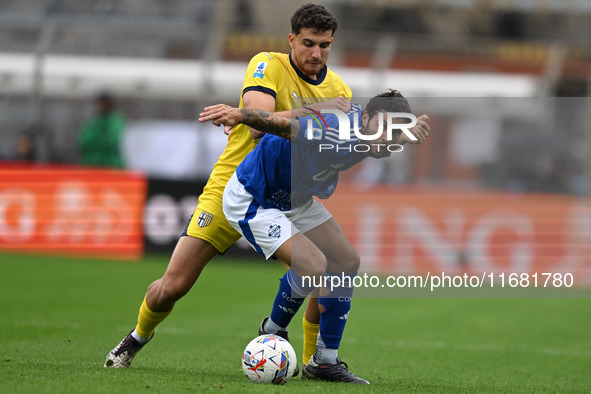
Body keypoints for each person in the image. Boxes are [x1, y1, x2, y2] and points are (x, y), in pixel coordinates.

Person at [105, 3, 351, 371]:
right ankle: (137, 337)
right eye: (309, 43)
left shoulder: (338, 89)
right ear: (291, 40)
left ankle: (316, 360)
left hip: (283, 196)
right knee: (173, 286)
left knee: (331, 265)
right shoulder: (267, 64)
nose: (317, 53)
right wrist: (320, 112)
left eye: (325, 45)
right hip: (232, 188)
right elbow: (255, 125)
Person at [198, 89, 430, 384]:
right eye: (381, 127)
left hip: (297, 197)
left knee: (347, 261)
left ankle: (324, 362)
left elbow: (382, 143)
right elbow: (283, 127)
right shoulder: (331, 129)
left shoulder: (372, 130)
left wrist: (405, 136)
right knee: (312, 266)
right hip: (255, 195)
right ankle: (272, 331)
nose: (386, 137)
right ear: (367, 117)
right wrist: (240, 114)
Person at [78, 92, 125, 168]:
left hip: (110, 166)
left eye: (103, 103)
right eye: (99, 103)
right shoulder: (94, 122)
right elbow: (83, 140)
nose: (100, 106)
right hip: (91, 165)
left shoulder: (115, 121)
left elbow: (112, 141)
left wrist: (96, 143)